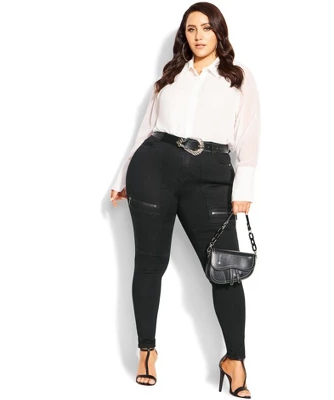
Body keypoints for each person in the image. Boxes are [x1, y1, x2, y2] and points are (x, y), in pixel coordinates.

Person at [110, 2, 260, 398]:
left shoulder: (238, 77)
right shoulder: (170, 76)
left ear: (218, 33)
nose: (198, 36)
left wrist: (243, 188)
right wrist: (122, 177)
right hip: (153, 168)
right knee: (149, 263)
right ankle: (146, 351)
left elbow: (249, 135)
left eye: (206, 28)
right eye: (191, 29)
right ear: (184, 35)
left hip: (212, 175)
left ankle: (235, 359)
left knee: (225, 270)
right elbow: (146, 130)